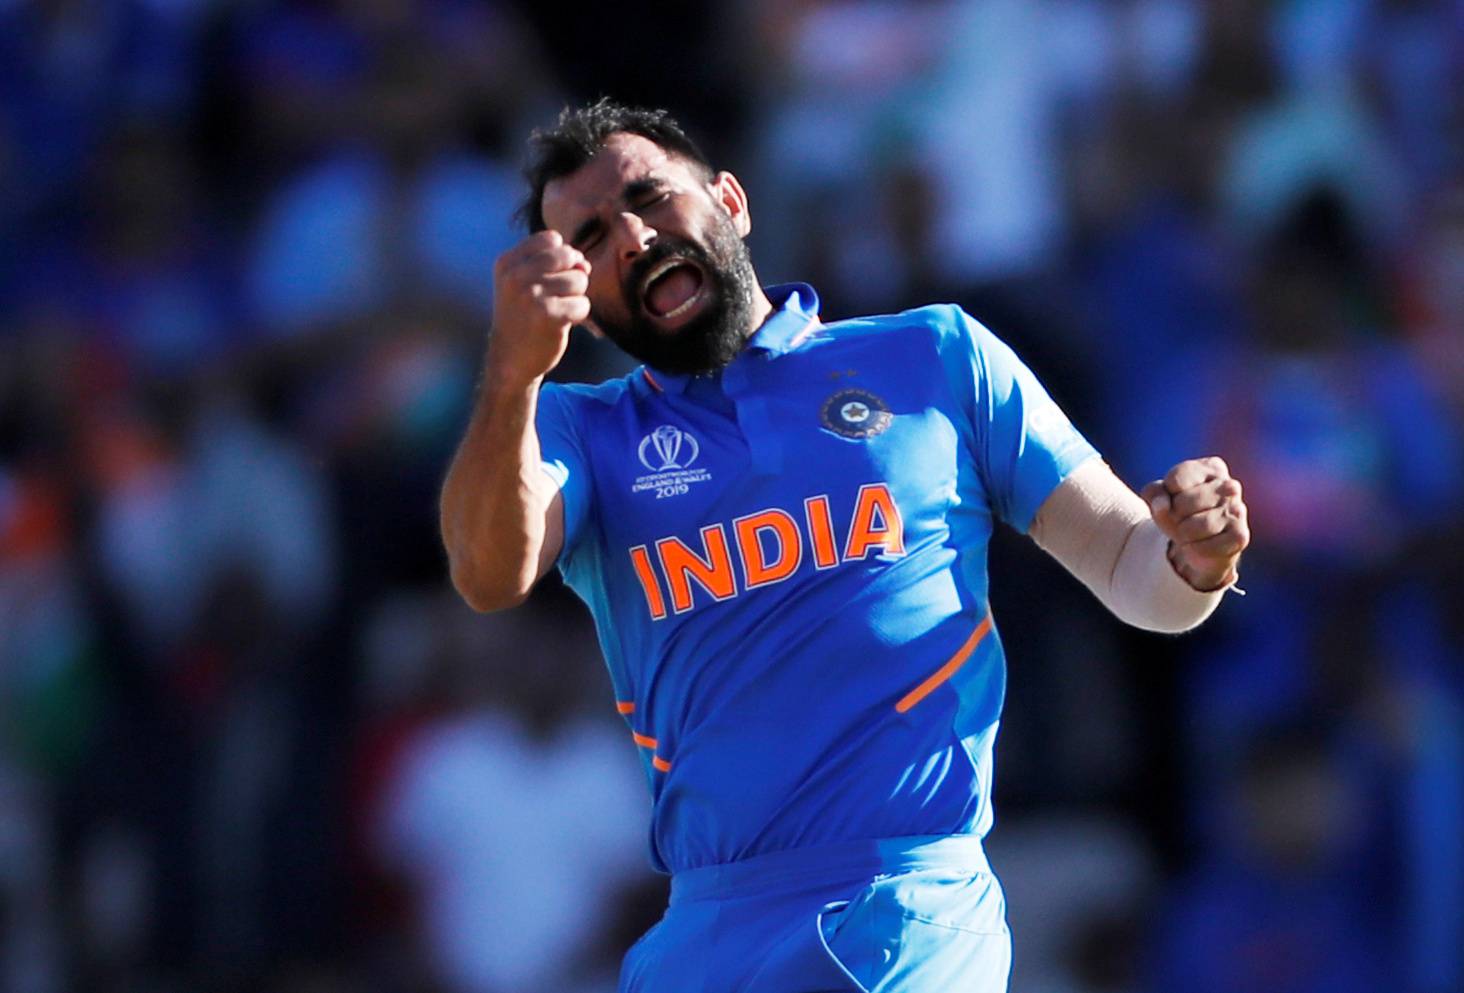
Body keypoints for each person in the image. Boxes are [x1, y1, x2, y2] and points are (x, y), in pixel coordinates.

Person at [439, 99, 1249, 993]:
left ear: (732, 202)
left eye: (650, 196)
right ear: (583, 306)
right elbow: (488, 571)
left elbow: (1133, 571)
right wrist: (513, 375)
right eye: (589, 235)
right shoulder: (575, 429)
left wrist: (1193, 559)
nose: (630, 235)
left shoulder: (937, 357)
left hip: (904, 904)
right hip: (706, 929)